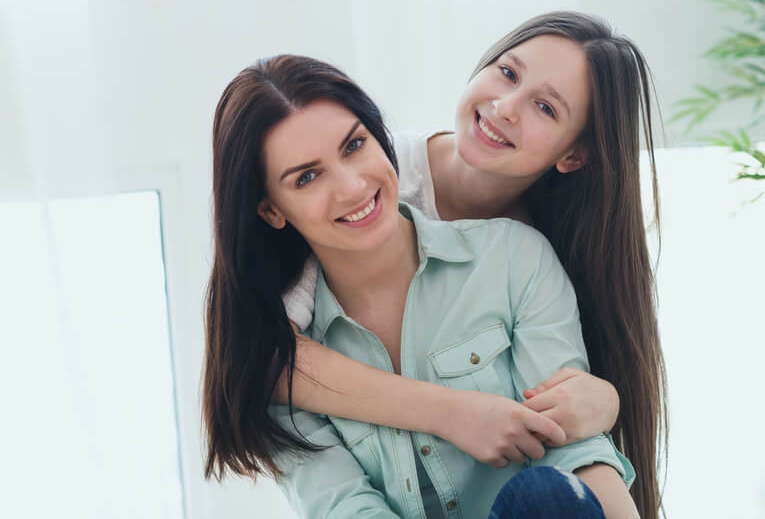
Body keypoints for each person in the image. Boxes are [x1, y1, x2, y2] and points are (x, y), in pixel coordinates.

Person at [202, 55, 638, 517]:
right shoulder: (277, 361)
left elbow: (575, 453)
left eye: (354, 146)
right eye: (307, 177)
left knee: (546, 495)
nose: (352, 187)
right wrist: (455, 414)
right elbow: (345, 508)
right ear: (272, 210)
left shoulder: (513, 259)